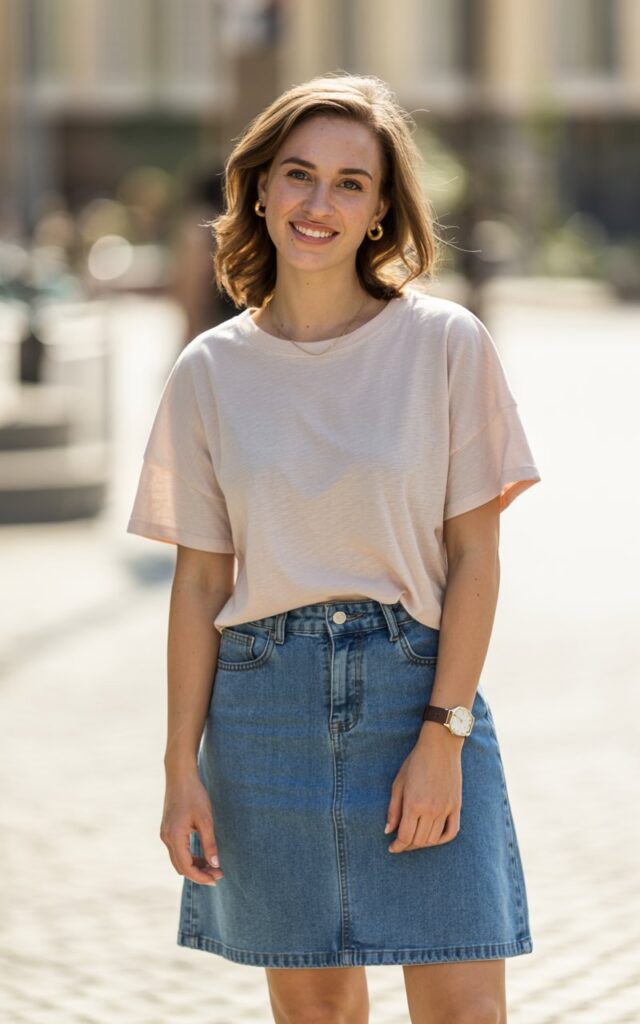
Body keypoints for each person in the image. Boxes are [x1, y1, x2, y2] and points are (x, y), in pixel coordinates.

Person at [126, 72, 542, 1024]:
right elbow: (198, 587)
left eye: (351, 183)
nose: (320, 203)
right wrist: (178, 769)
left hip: (416, 693)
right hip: (262, 710)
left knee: (466, 1011)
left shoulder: (444, 343)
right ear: (261, 189)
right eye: (300, 175)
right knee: (315, 1014)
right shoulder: (209, 373)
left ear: (381, 209)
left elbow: (476, 558)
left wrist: (444, 733)